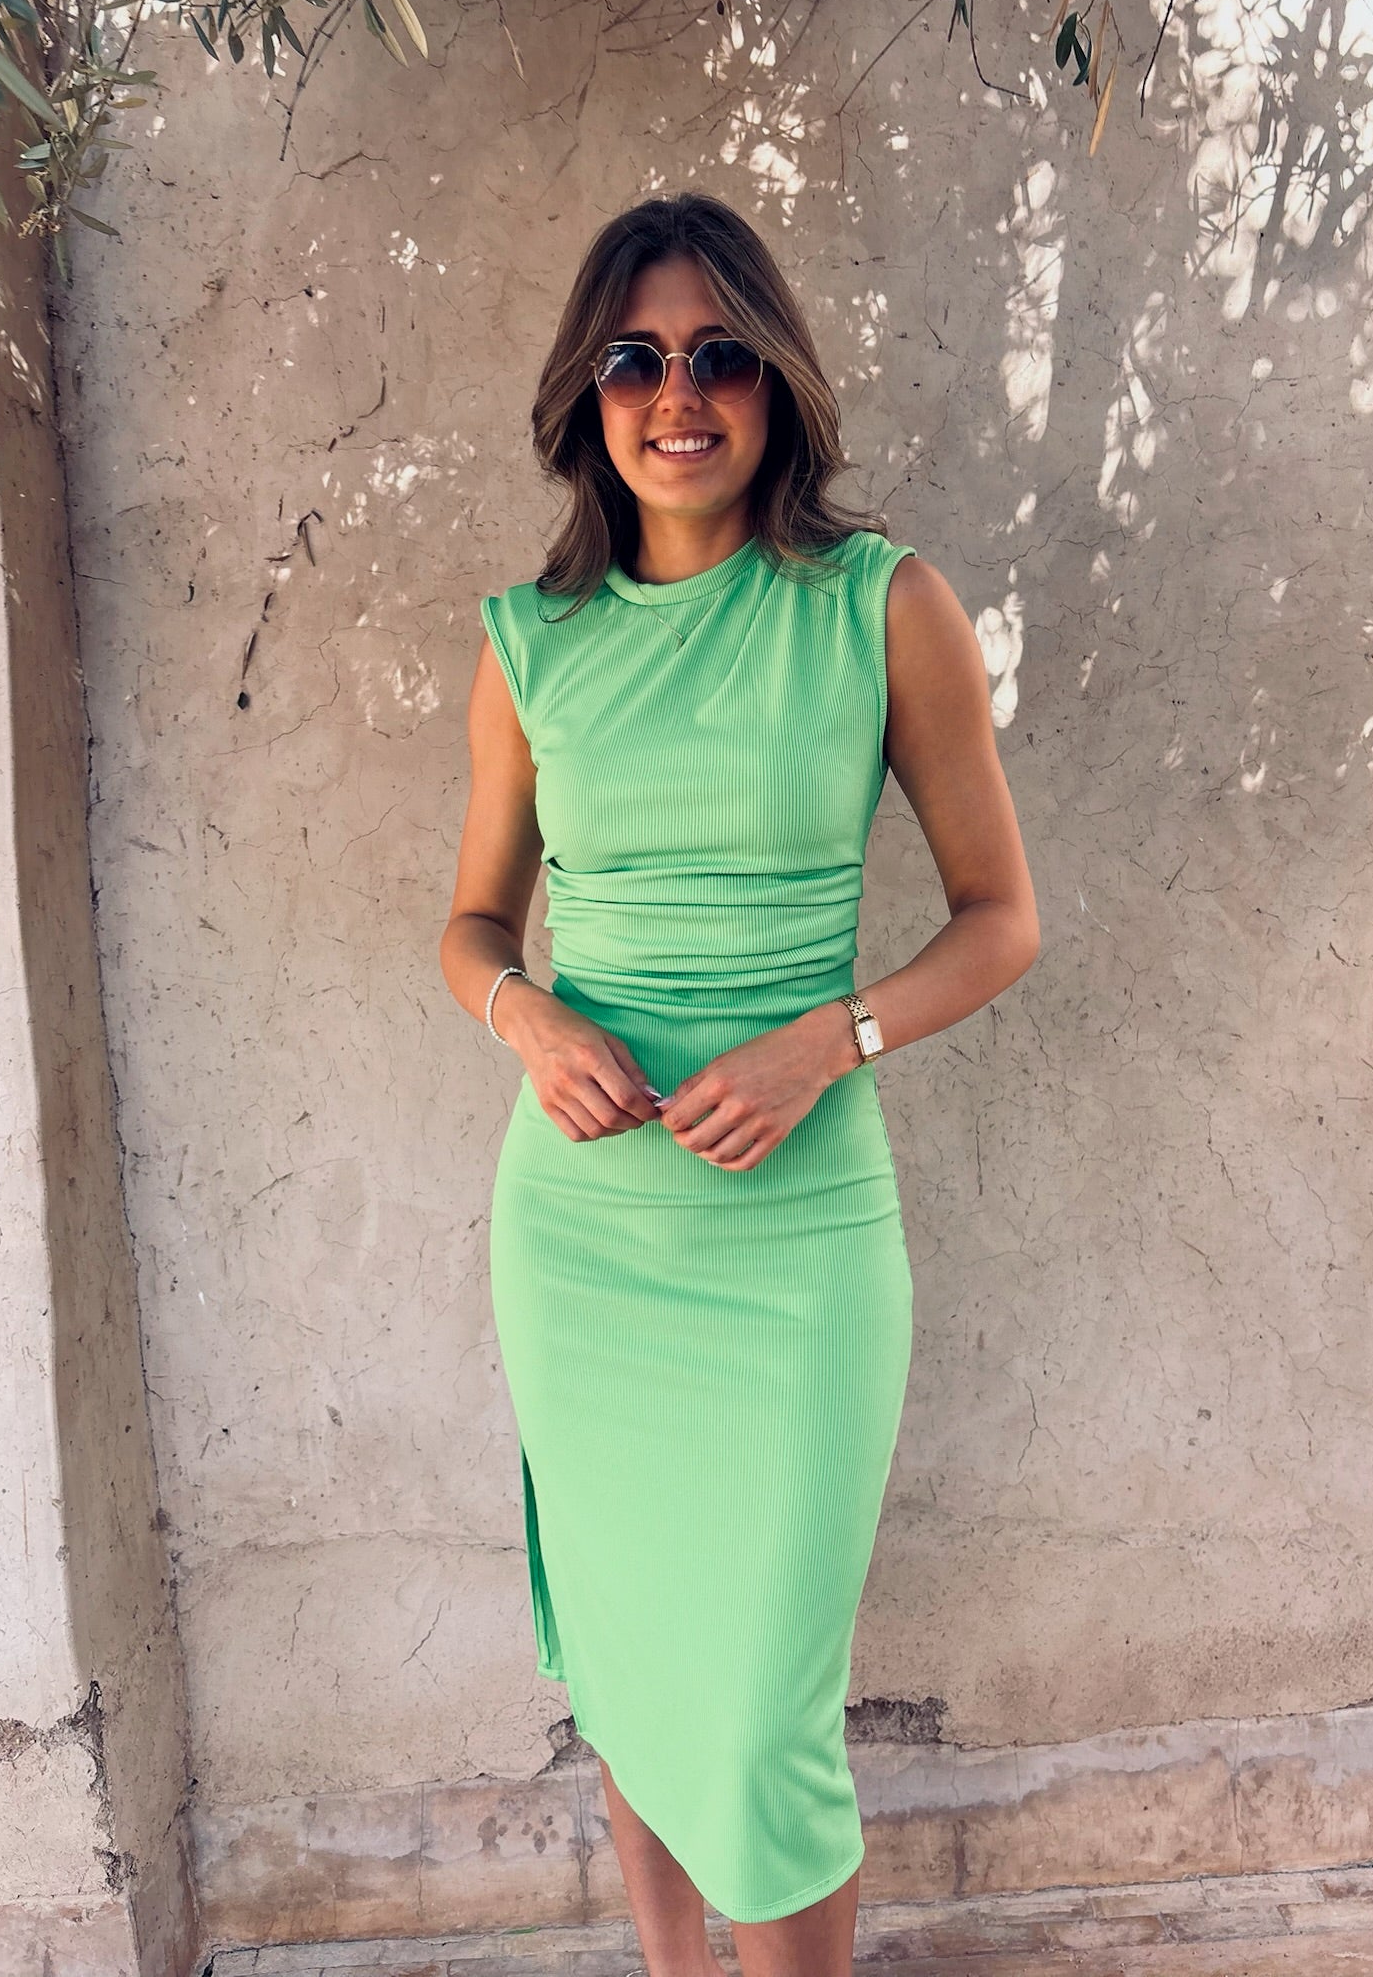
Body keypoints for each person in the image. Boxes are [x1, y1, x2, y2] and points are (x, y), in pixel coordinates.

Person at [439, 191, 1038, 1977]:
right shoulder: (530, 644)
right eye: (635, 359)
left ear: (777, 382)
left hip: (800, 1238)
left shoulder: (881, 609)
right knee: (636, 1668)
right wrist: (529, 1017)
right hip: (585, 1236)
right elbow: (472, 925)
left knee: (763, 1717)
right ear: (589, 394)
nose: (677, 394)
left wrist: (830, 1038)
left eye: (718, 355)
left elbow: (1002, 920)